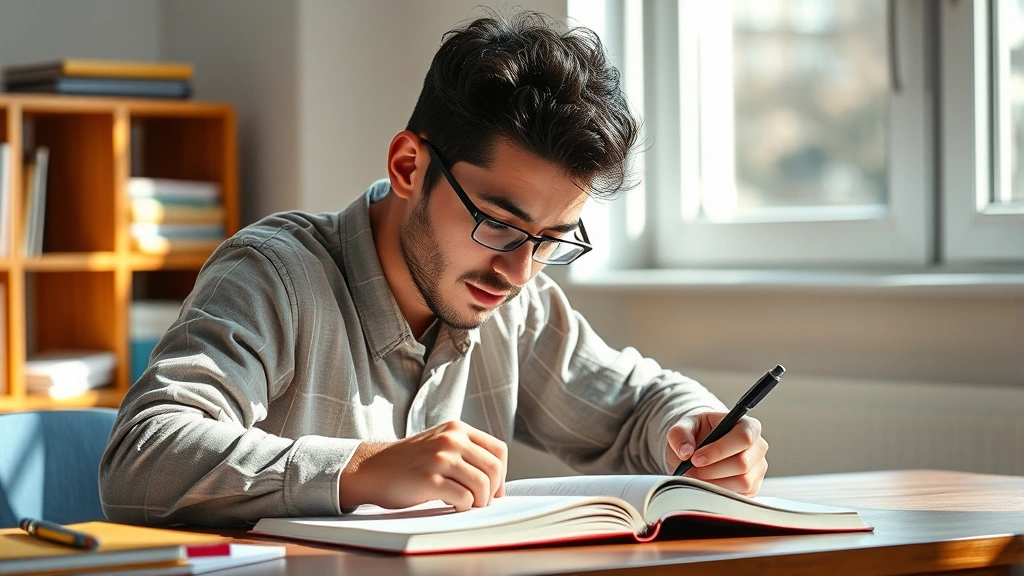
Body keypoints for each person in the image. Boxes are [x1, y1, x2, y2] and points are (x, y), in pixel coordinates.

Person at [100, 10, 769, 526]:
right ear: (408, 167)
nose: (517, 270)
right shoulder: (276, 275)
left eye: (551, 240)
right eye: (499, 223)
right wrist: (360, 470)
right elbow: (142, 457)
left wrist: (704, 428)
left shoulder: (515, 305)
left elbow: (638, 407)